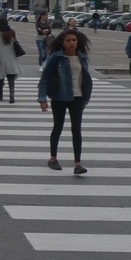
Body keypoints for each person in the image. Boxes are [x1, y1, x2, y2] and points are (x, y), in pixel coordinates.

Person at [37, 28, 93, 175]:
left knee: (77, 130)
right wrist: (42, 98)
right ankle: (53, 158)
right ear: (63, 43)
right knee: (58, 127)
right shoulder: (56, 57)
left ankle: (77, 164)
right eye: (68, 41)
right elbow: (44, 79)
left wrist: (86, 97)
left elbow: (86, 79)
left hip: (78, 98)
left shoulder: (82, 57)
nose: (72, 43)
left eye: (74, 40)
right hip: (59, 97)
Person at [0, 17, 23, 103]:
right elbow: (16, 42)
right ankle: (11, 94)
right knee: (11, 77)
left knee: (0, 77)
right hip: (11, 58)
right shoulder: (12, 32)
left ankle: (0, 95)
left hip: (0, 58)